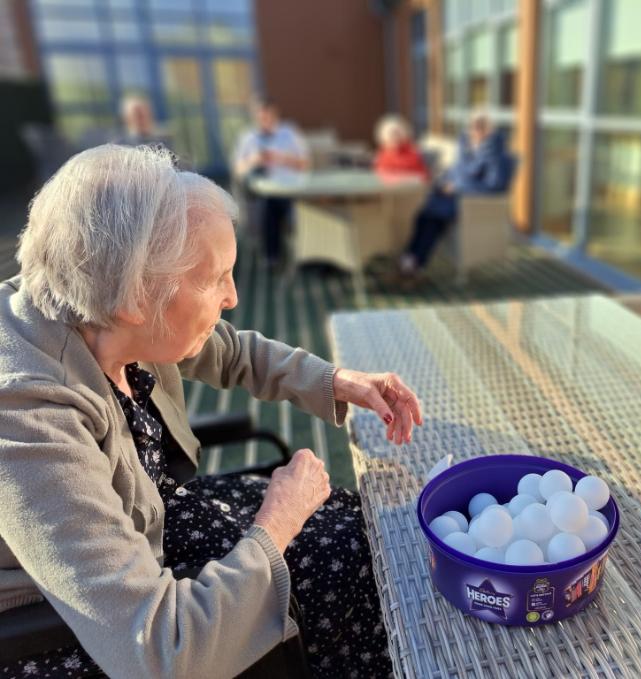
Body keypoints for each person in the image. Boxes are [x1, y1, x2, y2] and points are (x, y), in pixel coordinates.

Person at [0, 144, 422, 679]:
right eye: (215, 277)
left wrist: (336, 381)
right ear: (136, 294)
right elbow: (162, 652)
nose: (233, 296)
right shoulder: (26, 417)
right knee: (350, 575)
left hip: (151, 520)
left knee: (355, 524)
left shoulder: (95, 304)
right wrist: (280, 519)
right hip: (87, 626)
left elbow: (228, 348)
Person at [399, 111, 515, 278]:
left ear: (491, 130)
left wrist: (458, 187)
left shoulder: (500, 157)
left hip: (474, 204)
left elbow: (495, 187)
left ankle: (413, 262)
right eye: (473, 126)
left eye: (482, 126)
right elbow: (452, 173)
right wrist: (443, 184)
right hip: (453, 199)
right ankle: (411, 260)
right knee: (423, 215)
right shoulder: (465, 150)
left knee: (433, 217)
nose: (476, 131)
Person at [232, 99, 310, 268]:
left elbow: (305, 164)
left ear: (276, 116)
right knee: (268, 204)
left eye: (268, 118)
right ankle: (273, 255)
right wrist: (254, 160)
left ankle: (298, 251)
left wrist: (281, 158)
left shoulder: (289, 134)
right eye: (261, 119)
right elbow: (238, 170)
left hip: (291, 188)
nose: (265, 123)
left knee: (284, 206)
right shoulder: (248, 138)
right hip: (261, 190)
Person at [372, 114, 429, 180]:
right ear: (383, 137)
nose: (393, 137)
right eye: (390, 134)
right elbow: (378, 176)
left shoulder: (412, 153)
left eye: (397, 133)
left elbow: (423, 176)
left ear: (403, 134)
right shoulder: (381, 155)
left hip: (409, 188)